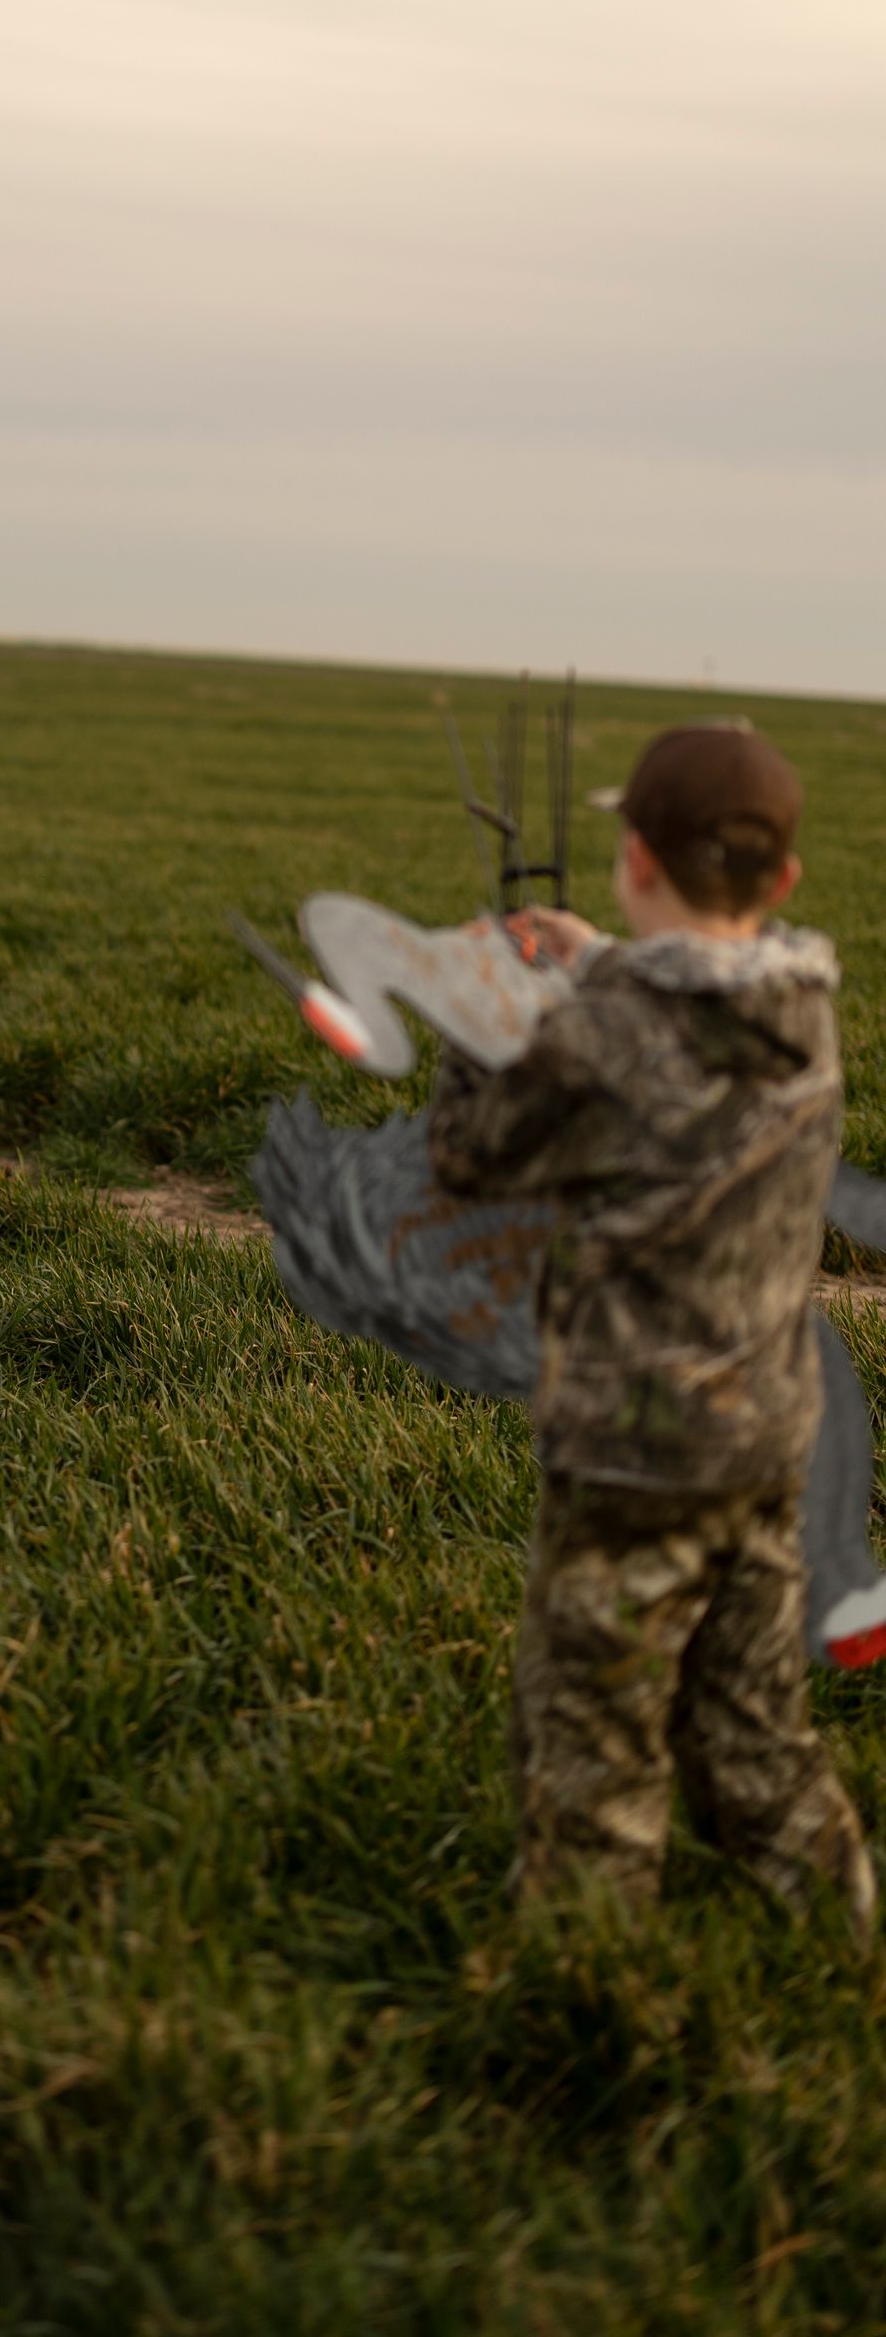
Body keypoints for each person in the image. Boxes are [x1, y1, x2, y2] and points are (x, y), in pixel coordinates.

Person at [426, 721, 874, 1933]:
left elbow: (467, 1157)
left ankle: (586, 2003)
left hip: (631, 1455)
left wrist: (487, 1019)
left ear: (631, 857)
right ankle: (843, 1935)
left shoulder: (600, 1037)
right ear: (781, 879)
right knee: (753, 1730)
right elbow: (690, 997)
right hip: (767, 1442)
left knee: (595, 1753)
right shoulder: (804, 1017)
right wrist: (598, 962)